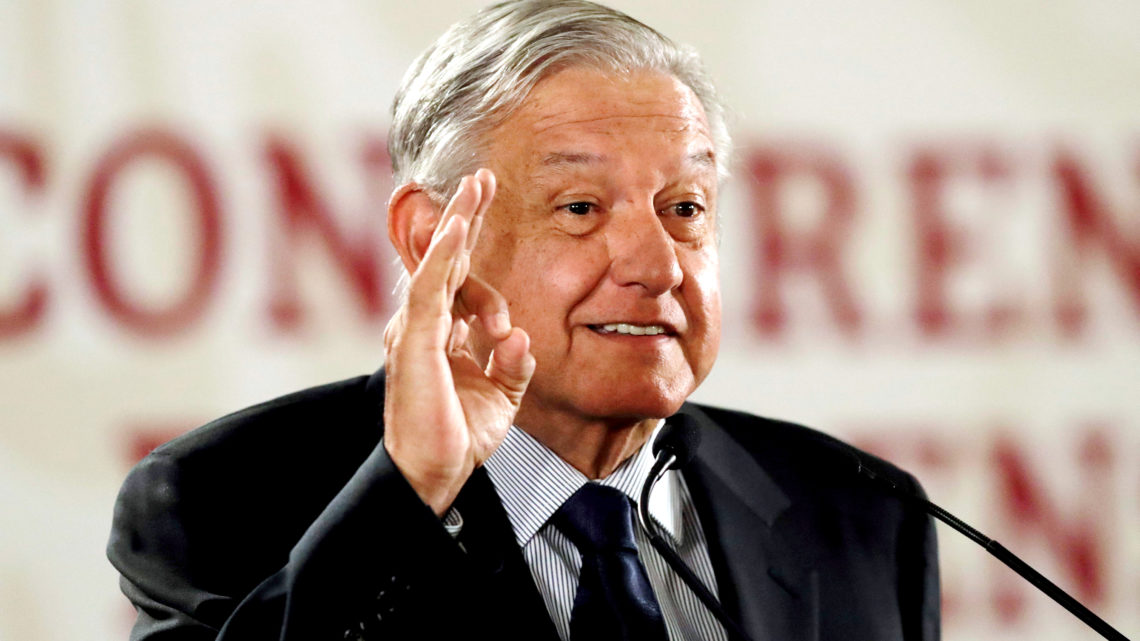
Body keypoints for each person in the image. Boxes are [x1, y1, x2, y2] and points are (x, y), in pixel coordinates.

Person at [107, 1, 940, 640]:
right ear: (436, 239)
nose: (657, 265)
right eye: (580, 207)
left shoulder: (860, 516)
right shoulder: (216, 502)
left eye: (685, 206)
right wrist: (408, 493)